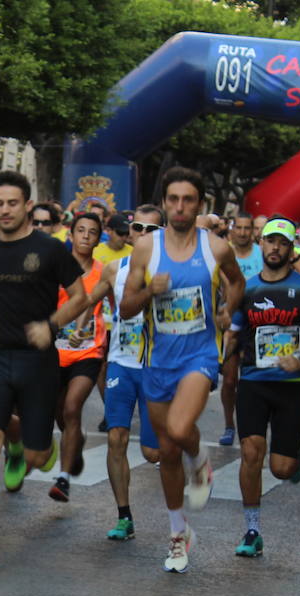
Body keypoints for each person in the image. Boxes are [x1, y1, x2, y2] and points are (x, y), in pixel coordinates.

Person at [0, 170, 88, 569]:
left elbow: (79, 295)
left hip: (37, 361)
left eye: (12, 203)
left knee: (36, 449)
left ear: (27, 205)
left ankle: (40, 452)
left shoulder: (50, 249)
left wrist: (52, 326)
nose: (4, 210)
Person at [119, 166, 245, 573]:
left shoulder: (216, 248)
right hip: (157, 359)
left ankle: (201, 458)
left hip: (200, 357)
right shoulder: (146, 249)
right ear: (164, 204)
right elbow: (125, 308)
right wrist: (147, 291)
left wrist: (228, 311)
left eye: (187, 200)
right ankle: (179, 535)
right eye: (172, 199)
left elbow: (237, 283)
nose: (179, 207)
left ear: (199, 205)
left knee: (177, 429)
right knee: (166, 453)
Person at [226, 217, 300, 557]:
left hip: (292, 386)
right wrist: (220, 364)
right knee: (250, 453)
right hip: (253, 383)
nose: (275, 247)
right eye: (271, 241)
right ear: (262, 245)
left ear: (292, 250)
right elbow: (233, 331)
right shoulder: (246, 288)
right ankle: (251, 530)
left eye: (283, 243)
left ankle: (293, 454)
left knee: (281, 469)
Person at [84, 247, 160, 540]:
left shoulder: (171, 268)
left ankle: (185, 450)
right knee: (116, 437)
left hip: (157, 367)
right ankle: (124, 515)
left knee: (152, 453)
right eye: (137, 226)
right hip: (121, 363)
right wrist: (73, 325)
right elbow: (89, 300)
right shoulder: (115, 269)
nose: (142, 232)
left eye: (149, 227)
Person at [48, 210, 107, 503]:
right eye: (80, 230)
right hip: (55, 352)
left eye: (92, 231)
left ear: (98, 238)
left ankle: (63, 478)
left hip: (88, 351)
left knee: (72, 408)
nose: (85, 236)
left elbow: (119, 305)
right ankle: (76, 444)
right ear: (70, 235)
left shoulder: (103, 271)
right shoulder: (55, 267)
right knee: (59, 412)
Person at [218, 210, 264, 446]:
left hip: (256, 321)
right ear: (232, 229)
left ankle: (253, 426)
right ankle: (229, 425)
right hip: (228, 319)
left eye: (248, 228)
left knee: (251, 381)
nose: (244, 232)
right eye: (240, 227)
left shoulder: (261, 253)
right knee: (228, 381)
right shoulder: (222, 251)